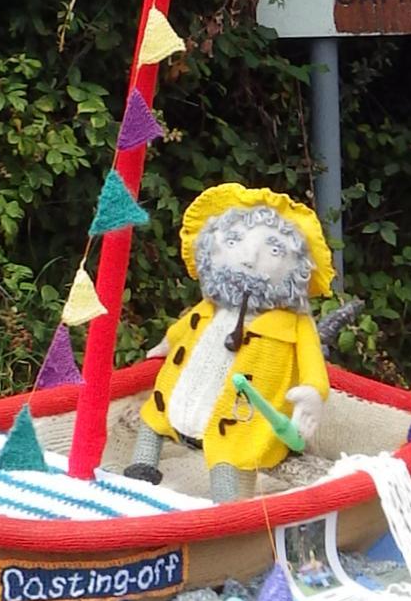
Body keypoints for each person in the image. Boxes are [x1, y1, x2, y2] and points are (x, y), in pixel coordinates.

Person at [125, 185, 333, 498]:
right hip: (186, 389)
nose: (249, 259)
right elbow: (183, 329)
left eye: (274, 250)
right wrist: (164, 346)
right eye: (235, 241)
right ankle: (140, 471)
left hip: (240, 414)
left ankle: (225, 508)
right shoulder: (211, 306)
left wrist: (314, 392)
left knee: (228, 451)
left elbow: (312, 362)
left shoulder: (295, 322)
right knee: (154, 417)